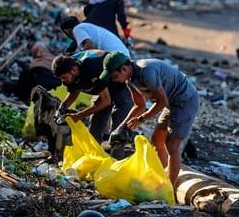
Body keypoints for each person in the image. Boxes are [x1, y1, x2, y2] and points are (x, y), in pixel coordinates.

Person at [100, 53, 199, 193]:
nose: (114, 80)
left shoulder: (147, 71)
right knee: (157, 140)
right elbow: (139, 106)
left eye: (114, 76)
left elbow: (161, 101)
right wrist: (122, 126)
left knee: (172, 145)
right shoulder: (130, 80)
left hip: (184, 101)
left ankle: (168, 188)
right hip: (169, 104)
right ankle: (161, 176)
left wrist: (141, 119)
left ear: (123, 69)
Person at [51, 50, 133, 142]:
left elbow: (106, 101)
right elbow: (73, 92)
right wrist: (60, 110)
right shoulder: (69, 69)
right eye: (61, 78)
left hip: (120, 83)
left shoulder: (90, 68)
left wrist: (79, 115)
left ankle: (120, 150)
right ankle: (96, 152)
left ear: (74, 70)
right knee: (95, 127)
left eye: (64, 77)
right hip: (103, 89)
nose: (63, 81)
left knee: (118, 127)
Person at [60, 17, 130, 57]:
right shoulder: (87, 27)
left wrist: (76, 57)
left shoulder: (77, 29)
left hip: (117, 57)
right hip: (123, 55)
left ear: (67, 31)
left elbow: (89, 47)